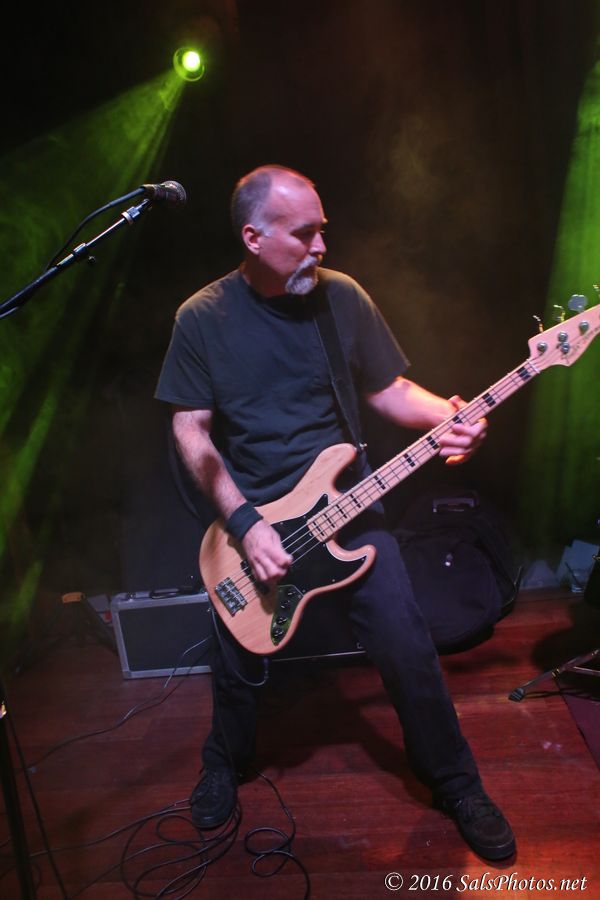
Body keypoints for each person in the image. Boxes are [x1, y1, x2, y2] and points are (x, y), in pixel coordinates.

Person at [155, 164, 515, 861]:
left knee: (407, 640)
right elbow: (189, 431)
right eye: (304, 234)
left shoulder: (340, 297)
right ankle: (223, 764)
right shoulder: (201, 318)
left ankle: (458, 783)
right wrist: (246, 524)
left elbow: (388, 388)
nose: (321, 245)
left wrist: (449, 416)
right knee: (234, 658)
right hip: (253, 522)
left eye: (322, 230)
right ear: (254, 238)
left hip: (348, 511)